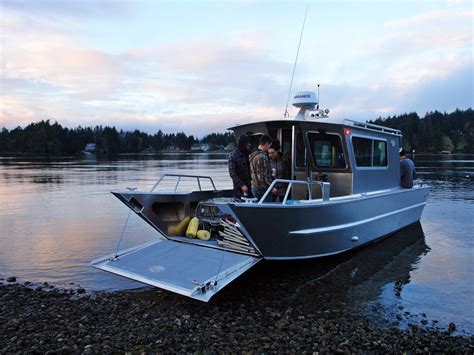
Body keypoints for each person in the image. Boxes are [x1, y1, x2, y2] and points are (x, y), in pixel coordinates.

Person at [249, 135, 278, 201]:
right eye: (269, 145)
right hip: (262, 190)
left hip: (254, 187)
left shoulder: (253, 155)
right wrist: (271, 188)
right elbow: (261, 177)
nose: (269, 147)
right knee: (267, 210)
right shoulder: (261, 157)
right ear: (267, 143)